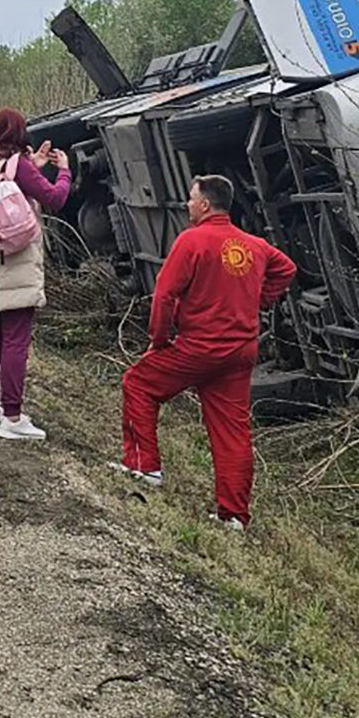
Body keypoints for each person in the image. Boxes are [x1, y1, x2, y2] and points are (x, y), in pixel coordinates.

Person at [115, 174, 295, 529]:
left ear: (204, 205)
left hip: (200, 346)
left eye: (190, 199)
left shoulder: (193, 241)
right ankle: (234, 516)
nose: (187, 204)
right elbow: (286, 268)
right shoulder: (253, 245)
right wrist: (259, 300)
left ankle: (143, 465)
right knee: (232, 432)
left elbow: (164, 294)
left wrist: (159, 339)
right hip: (240, 352)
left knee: (138, 384)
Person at [0, 107, 73, 440]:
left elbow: (6, 179)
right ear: (18, 134)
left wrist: (30, 166)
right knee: (16, 341)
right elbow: (54, 199)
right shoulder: (16, 165)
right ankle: (13, 417)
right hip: (14, 263)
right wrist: (63, 171)